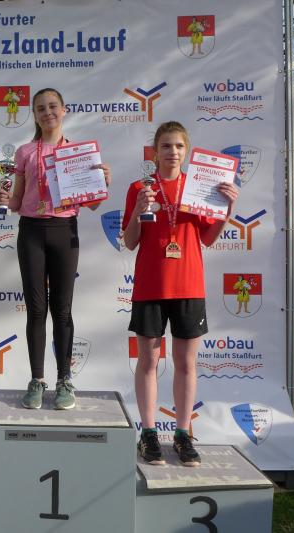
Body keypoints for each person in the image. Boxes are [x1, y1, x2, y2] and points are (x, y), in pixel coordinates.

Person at [122, 121, 238, 466]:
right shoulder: (139, 188)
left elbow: (208, 238)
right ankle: (148, 433)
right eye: (166, 146)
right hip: (150, 285)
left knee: (186, 363)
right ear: (155, 151)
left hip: (189, 285)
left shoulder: (199, 188)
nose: (172, 152)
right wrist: (139, 209)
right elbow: (129, 241)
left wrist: (227, 210)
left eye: (179, 146)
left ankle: (183, 433)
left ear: (186, 151)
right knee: (148, 361)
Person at [0, 88, 111, 411]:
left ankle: (64, 380)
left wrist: (102, 183)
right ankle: (37, 380)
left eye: (53, 106)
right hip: (31, 232)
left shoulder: (78, 154)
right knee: (36, 309)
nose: (48, 113)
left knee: (62, 309)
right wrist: (4, 199)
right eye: (41, 108)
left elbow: (92, 204)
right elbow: (17, 201)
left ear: (64, 110)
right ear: (34, 115)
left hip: (64, 230)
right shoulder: (24, 152)